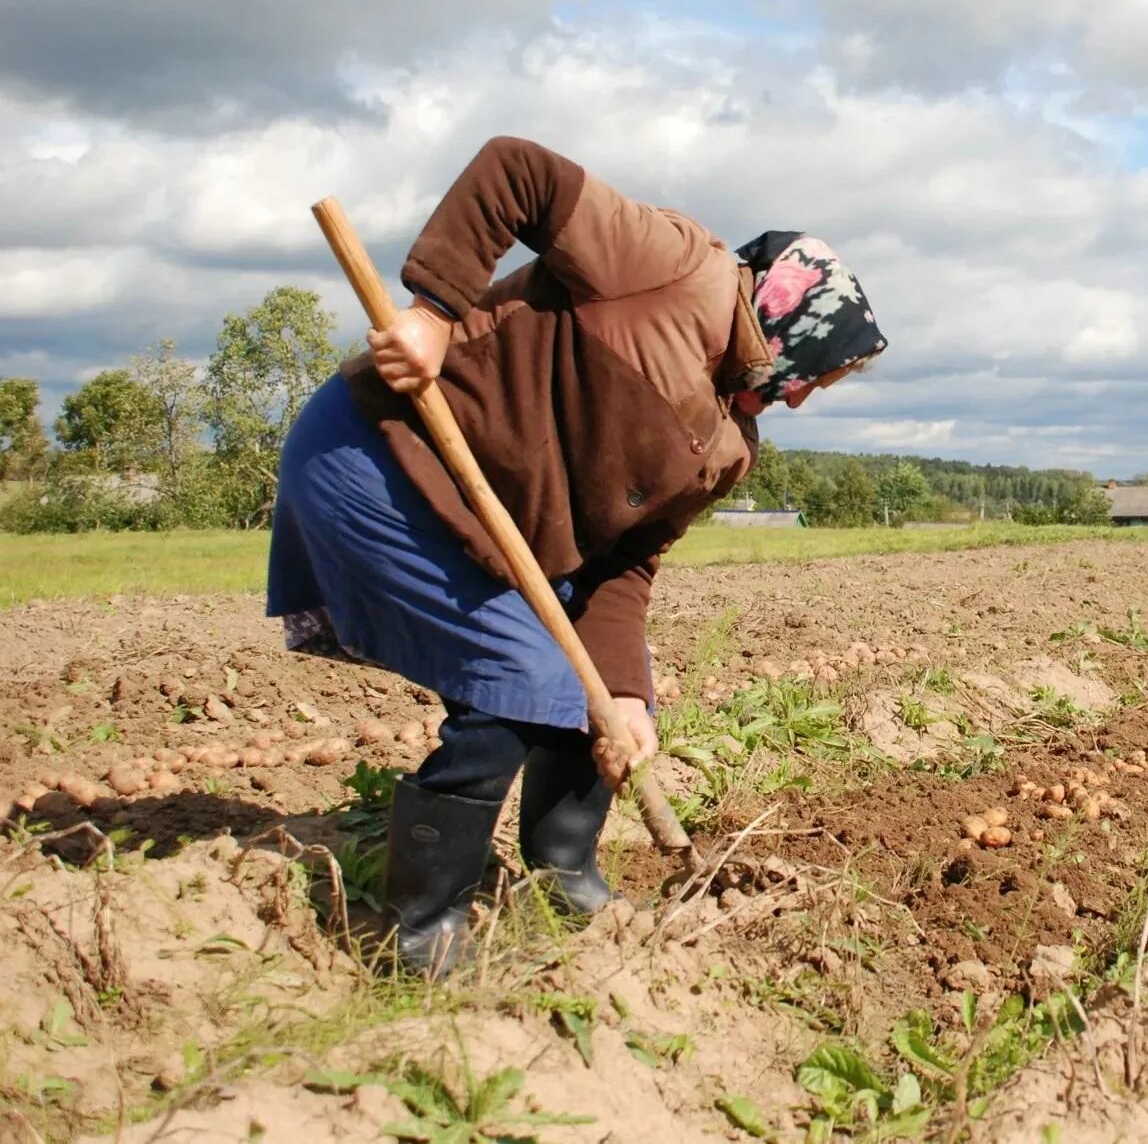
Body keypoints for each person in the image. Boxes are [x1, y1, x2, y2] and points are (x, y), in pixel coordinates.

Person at [267, 137, 886, 975]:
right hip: (389, 455)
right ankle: (418, 932)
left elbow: (621, 568)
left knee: (604, 695)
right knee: (518, 680)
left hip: (489, 520)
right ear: (790, 320)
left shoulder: (730, 445)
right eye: (821, 370)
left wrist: (625, 696)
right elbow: (516, 173)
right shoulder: (674, 266)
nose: (808, 393)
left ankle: (560, 877)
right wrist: (432, 315)